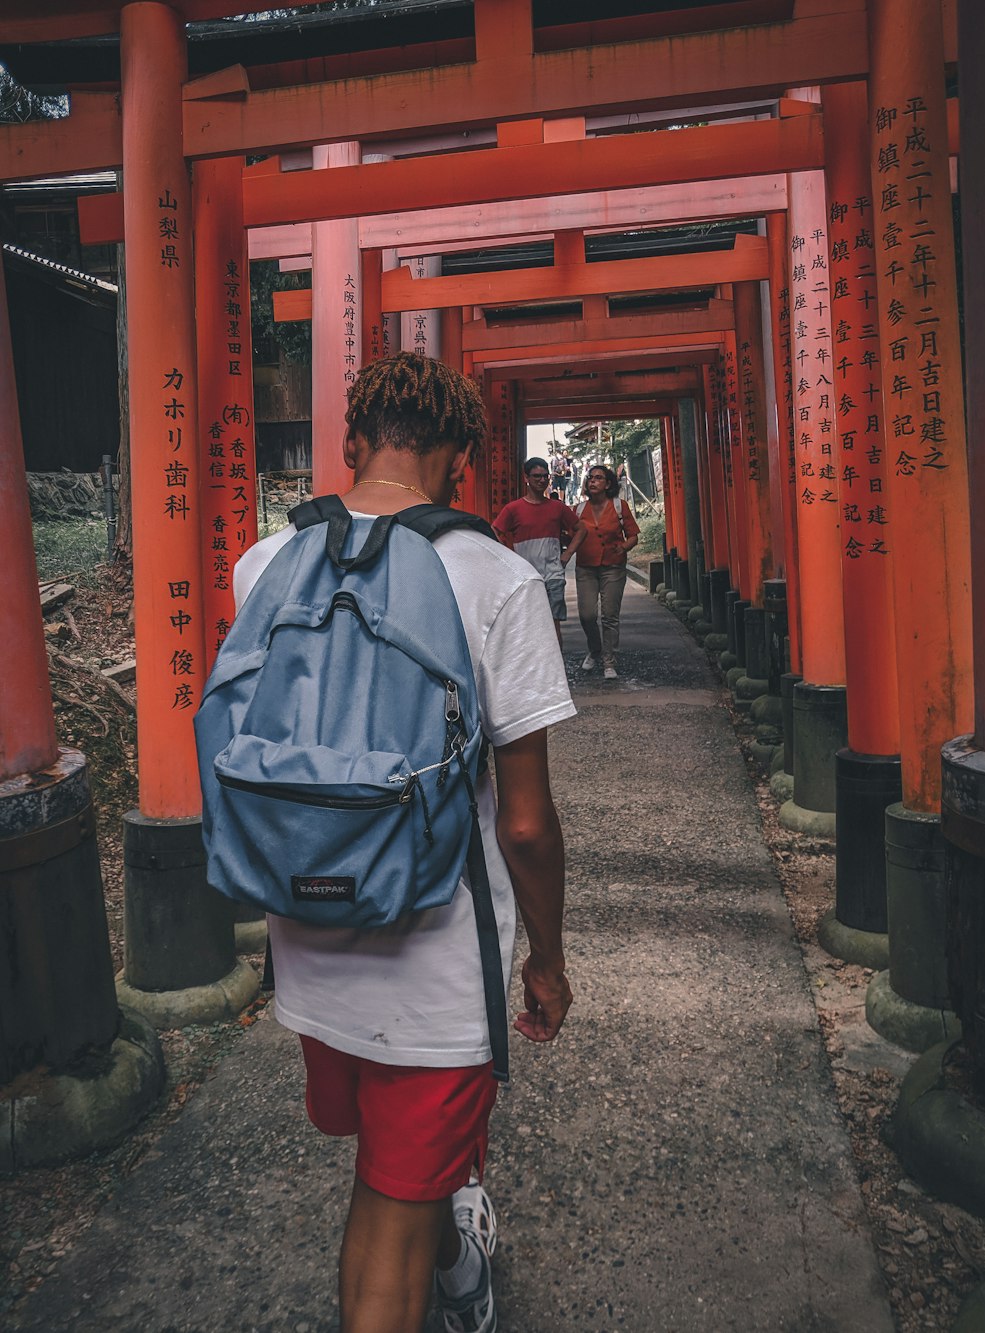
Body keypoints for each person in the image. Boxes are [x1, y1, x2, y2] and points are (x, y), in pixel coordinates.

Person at [231, 353, 574, 1333]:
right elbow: (523, 822)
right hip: (432, 961)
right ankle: (454, 1259)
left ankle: (457, 1244)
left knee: (390, 1165)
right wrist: (546, 955)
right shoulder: (496, 581)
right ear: (461, 462)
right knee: (388, 1211)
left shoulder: (263, 562)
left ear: (349, 445)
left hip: (306, 931)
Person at [492, 456, 587, 646]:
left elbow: (581, 529)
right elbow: (494, 531)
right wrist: (508, 557)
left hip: (553, 573)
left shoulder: (557, 507)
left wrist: (567, 555)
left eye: (545, 476)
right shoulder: (513, 509)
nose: (541, 480)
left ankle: (556, 669)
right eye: (536, 476)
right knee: (527, 624)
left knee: (554, 623)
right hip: (526, 576)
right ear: (526, 478)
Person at [574, 463, 641, 681]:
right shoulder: (578, 510)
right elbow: (569, 535)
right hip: (586, 567)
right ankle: (595, 649)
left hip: (613, 566)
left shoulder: (619, 506)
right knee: (587, 615)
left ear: (608, 483)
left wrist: (623, 547)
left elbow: (632, 535)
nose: (592, 481)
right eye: (590, 478)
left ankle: (609, 661)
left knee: (610, 616)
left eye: (598, 478)